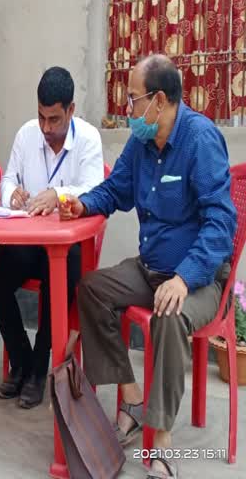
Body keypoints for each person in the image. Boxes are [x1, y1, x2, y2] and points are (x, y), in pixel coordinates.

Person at [60, 54, 236, 479]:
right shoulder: (141, 144)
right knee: (92, 290)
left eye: (133, 99)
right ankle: (133, 397)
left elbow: (221, 223)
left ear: (159, 101)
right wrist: (81, 204)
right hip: (151, 267)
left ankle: (162, 438)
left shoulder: (200, 140)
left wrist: (184, 277)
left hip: (199, 279)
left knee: (169, 317)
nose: (128, 110)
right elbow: (115, 191)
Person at [0, 67, 104, 409]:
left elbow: (95, 189)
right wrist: (13, 195)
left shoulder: (89, 140)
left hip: (69, 246)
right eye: (41, 117)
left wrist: (60, 195)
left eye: (54, 119)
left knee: (59, 282)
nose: (47, 128)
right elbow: (7, 179)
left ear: (71, 110)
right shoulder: (27, 135)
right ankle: (22, 360)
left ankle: (38, 370)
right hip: (29, 239)